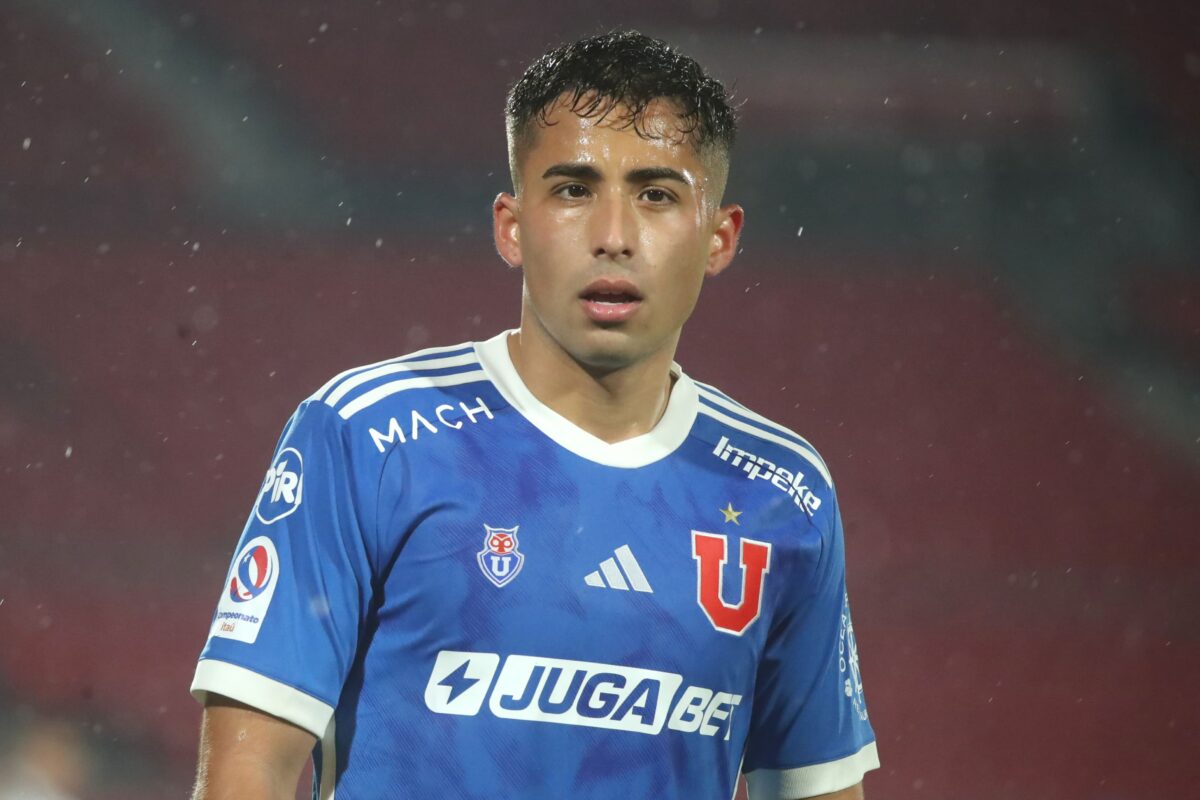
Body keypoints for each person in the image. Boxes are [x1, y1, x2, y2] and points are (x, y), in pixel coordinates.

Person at [190, 30, 879, 800]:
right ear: (512, 227)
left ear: (718, 238)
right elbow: (246, 775)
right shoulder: (368, 434)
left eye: (655, 194)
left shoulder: (783, 493)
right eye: (574, 189)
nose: (613, 237)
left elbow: (820, 790)